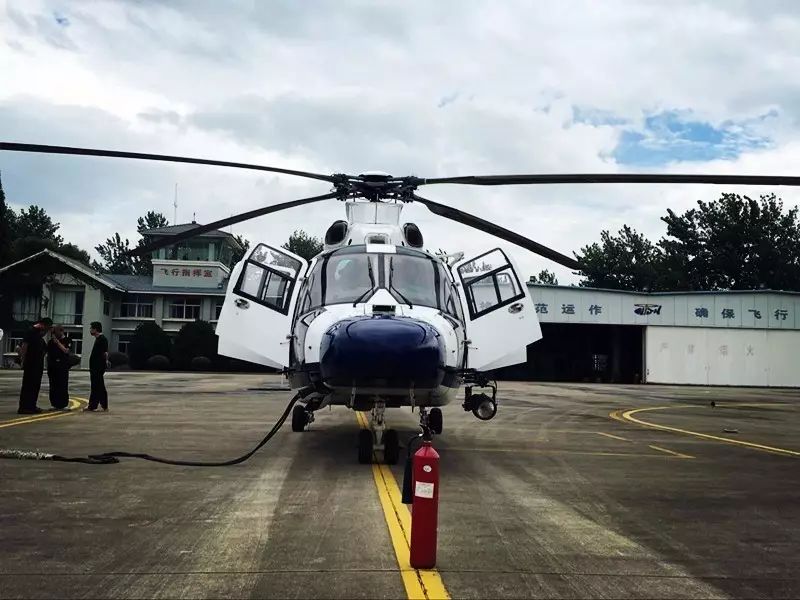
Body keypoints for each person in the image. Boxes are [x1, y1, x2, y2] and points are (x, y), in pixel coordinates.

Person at [17, 317, 53, 414]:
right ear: (43, 325)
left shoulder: (38, 334)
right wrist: (23, 360)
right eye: (47, 328)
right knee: (29, 385)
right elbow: (24, 346)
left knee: (35, 386)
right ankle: (24, 407)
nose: (46, 331)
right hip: (31, 363)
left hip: (37, 364)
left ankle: (32, 405)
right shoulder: (31, 331)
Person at [84, 321, 109, 412]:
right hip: (95, 367)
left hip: (98, 367)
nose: (90, 330)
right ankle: (103, 404)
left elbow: (105, 353)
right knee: (99, 386)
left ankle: (93, 405)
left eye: (91, 328)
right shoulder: (98, 339)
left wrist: (104, 364)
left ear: (95, 329)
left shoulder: (102, 339)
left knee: (96, 386)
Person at [46, 325, 72, 410]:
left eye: (55, 333)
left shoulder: (67, 340)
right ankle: (54, 404)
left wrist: (58, 343)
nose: (54, 335)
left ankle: (63, 404)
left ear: (61, 331)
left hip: (62, 366)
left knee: (62, 385)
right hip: (53, 367)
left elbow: (66, 351)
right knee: (53, 386)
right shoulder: (51, 342)